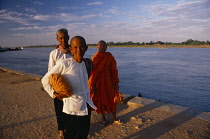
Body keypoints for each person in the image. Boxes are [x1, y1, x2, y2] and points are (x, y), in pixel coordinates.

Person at [42, 36, 96, 139]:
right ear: (71, 49)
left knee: (83, 135)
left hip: (85, 107)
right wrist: (54, 94)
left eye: (81, 47)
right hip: (71, 110)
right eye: (75, 47)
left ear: (86, 48)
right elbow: (45, 79)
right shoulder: (64, 64)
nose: (78, 50)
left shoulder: (87, 64)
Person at [88, 40, 122, 126]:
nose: (102, 47)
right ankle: (103, 119)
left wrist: (116, 82)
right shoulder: (95, 58)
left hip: (109, 82)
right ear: (97, 47)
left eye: (104, 45)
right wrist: (93, 85)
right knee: (101, 101)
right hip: (99, 83)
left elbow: (114, 70)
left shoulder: (109, 56)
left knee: (112, 99)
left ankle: (114, 117)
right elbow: (92, 73)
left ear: (106, 47)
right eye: (101, 45)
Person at [47, 28, 71, 139]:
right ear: (57, 39)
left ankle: (70, 128)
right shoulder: (54, 54)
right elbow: (50, 73)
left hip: (72, 86)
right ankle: (61, 130)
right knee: (59, 110)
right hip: (59, 87)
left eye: (65, 37)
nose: (63, 40)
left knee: (71, 109)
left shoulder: (74, 52)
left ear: (68, 37)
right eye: (60, 38)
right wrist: (52, 91)